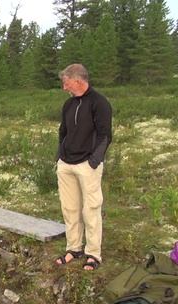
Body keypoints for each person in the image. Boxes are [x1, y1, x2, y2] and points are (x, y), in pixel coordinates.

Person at [54, 64, 112, 271]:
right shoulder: (68, 105)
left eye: (66, 82)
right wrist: (60, 156)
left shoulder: (99, 103)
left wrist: (94, 161)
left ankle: (93, 254)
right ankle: (74, 248)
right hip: (66, 164)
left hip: (88, 165)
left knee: (91, 209)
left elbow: (105, 135)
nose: (64, 87)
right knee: (70, 208)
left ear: (77, 80)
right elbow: (63, 131)